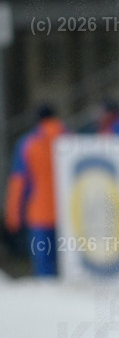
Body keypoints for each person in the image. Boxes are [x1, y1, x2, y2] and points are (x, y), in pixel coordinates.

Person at [3, 104, 66, 276]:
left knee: (45, 269)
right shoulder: (69, 137)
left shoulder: (28, 143)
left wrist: (13, 216)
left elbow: (18, 182)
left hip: (40, 212)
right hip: (69, 212)